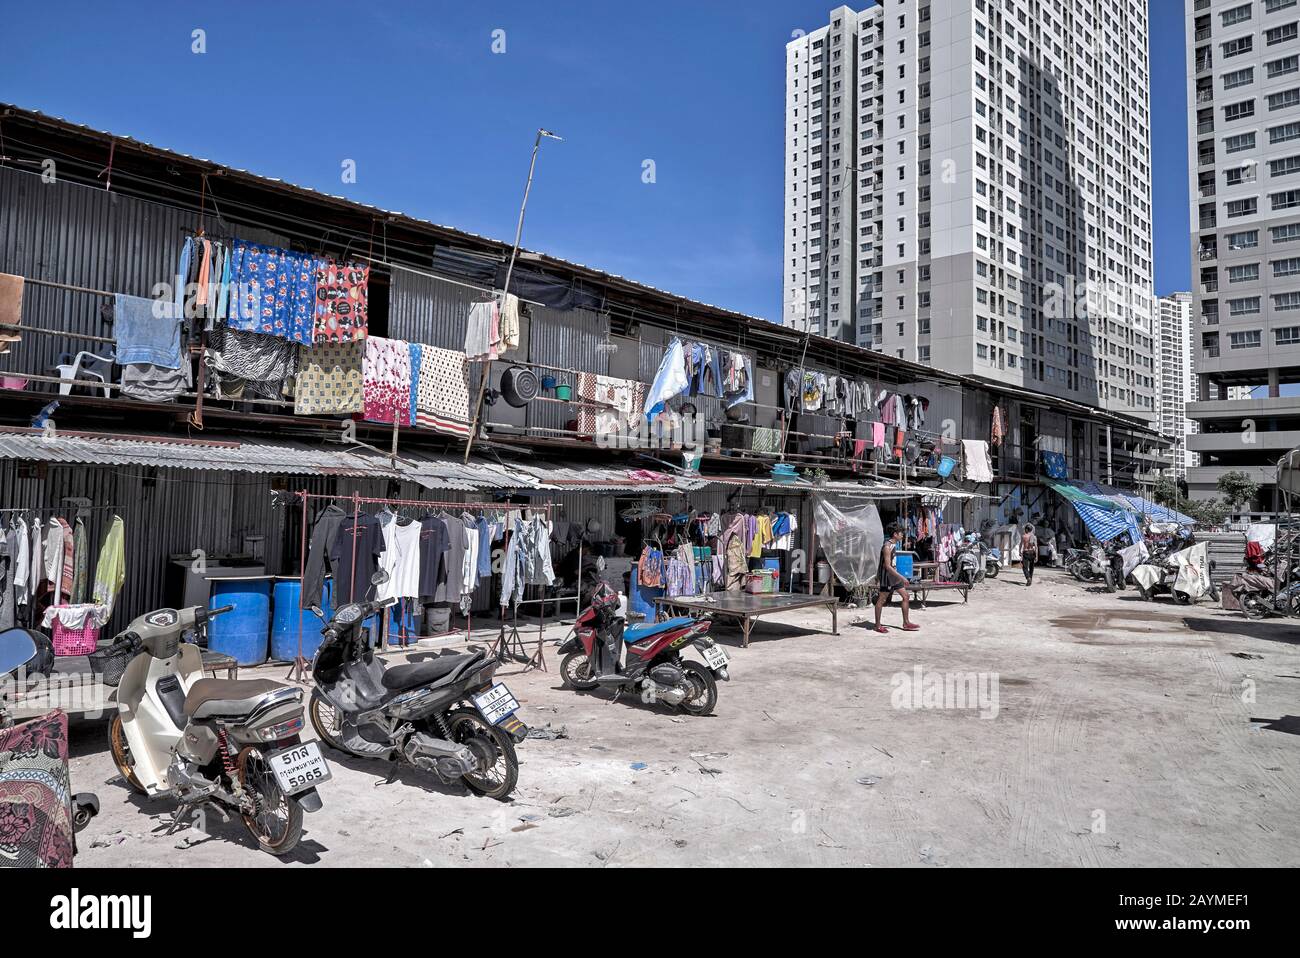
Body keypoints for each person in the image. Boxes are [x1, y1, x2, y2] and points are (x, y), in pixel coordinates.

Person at [874, 523, 919, 633]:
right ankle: (878, 625)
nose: (902, 536)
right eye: (900, 534)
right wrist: (902, 577)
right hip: (887, 576)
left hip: (893, 575)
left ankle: (906, 623)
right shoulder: (887, 547)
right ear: (895, 534)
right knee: (881, 600)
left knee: (906, 596)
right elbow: (887, 566)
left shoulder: (894, 545)